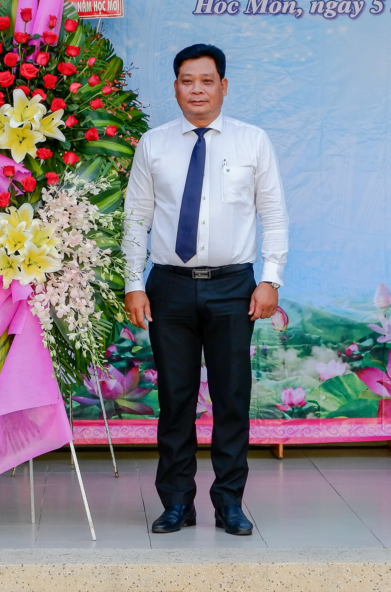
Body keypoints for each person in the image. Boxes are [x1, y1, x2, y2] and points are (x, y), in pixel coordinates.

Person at [122, 43, 288, 537]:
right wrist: (133, 283)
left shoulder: (252, 141)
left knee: (231, 398)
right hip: (169, 287)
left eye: (206, 80)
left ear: (223, 86)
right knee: (175, 398)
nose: (197, 90)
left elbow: (274, 214)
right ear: (175, 87)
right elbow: (136, 218)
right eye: (187, 81)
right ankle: (176, 503)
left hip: (233, 286)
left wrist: (270, 278)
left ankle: (229, 502)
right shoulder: (153, 144)